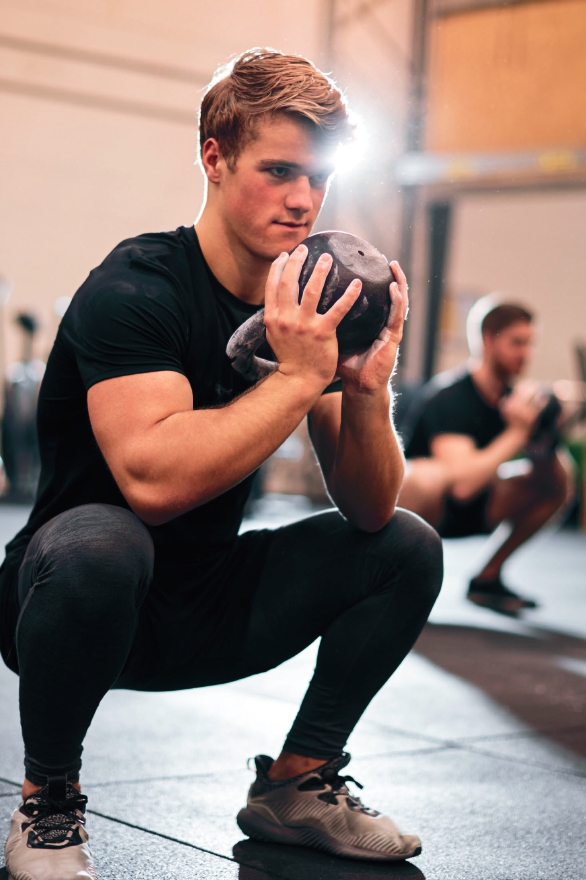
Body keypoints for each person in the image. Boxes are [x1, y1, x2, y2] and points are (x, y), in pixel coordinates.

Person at [1, 49, 443, 879]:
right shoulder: (138, 287)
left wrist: (365, 391)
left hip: (206, 605)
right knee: (105, 539)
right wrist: (304, 374)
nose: (304, 200)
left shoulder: (298, 306)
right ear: (214, 155)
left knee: (408, 546)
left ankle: (298, 783)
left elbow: (371, 510)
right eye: (279, 171)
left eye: (319, 177)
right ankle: (47, 800)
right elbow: (153, 483)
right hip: (72, 601)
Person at [398, 296, 571, 614]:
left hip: (480, 506)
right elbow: (461, 486)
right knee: (429, 477)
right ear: (488, 340)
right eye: (517, 343)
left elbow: (552, 480)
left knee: (561, 477)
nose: (526, 354)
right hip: (425, 515)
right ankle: (395, 578)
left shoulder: (515, 399)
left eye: (530, 343)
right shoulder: (450, 397)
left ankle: (487, 578)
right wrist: (517, 431)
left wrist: (545, 431)